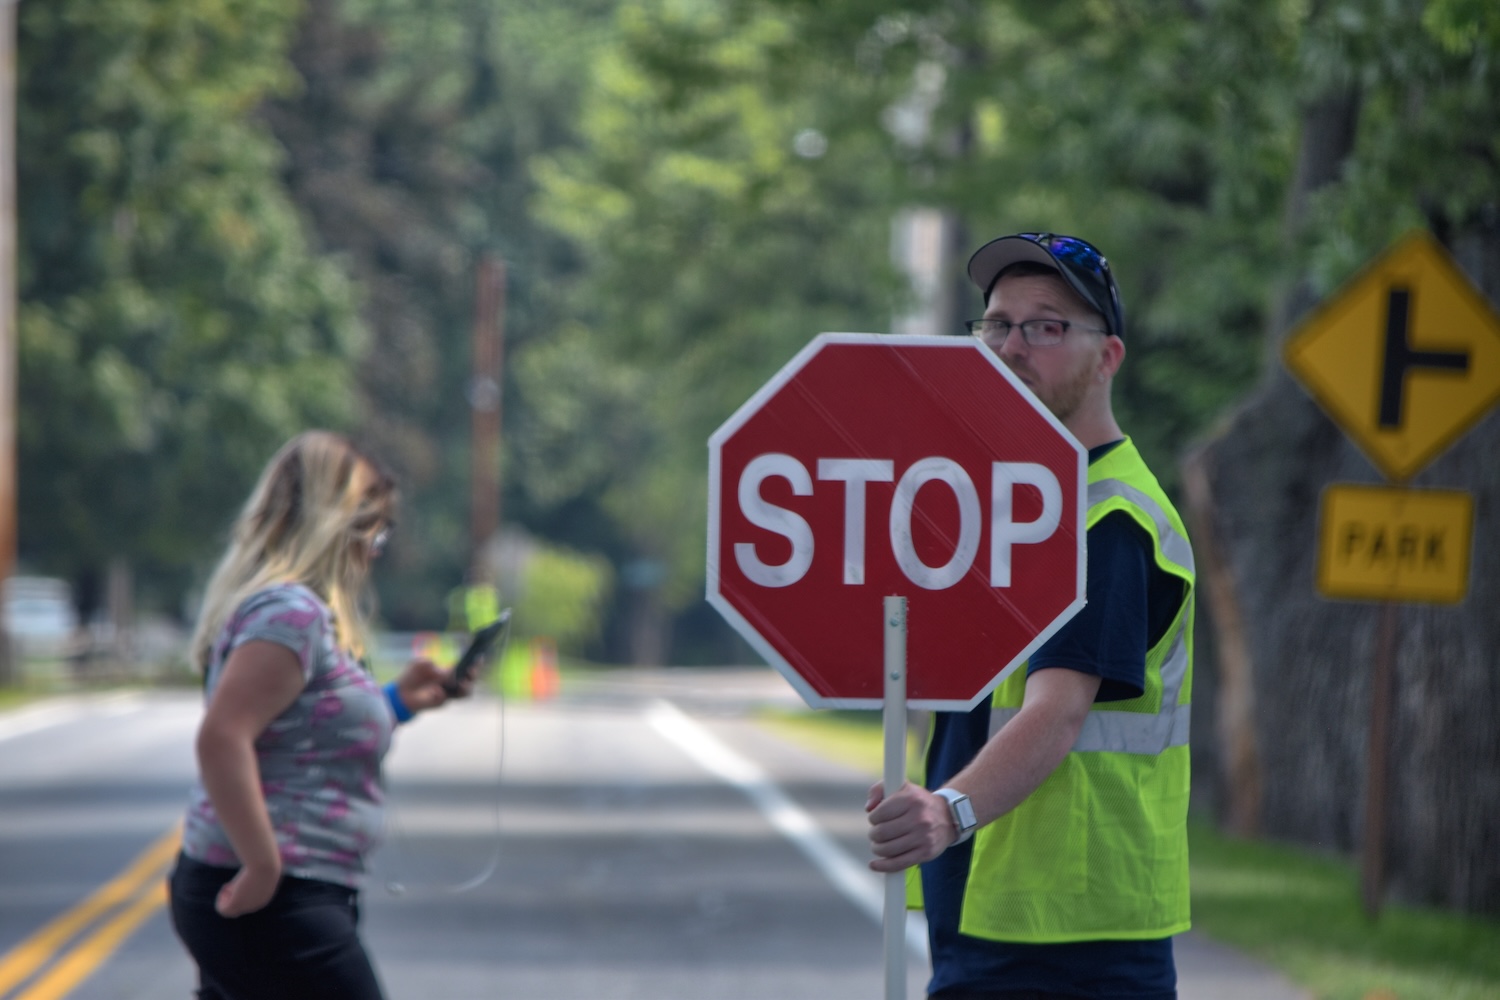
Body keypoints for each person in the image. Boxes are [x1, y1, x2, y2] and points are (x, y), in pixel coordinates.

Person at [866, 233, 1195, 1000]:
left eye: (1047, 326)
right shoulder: (1016, 508)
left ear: (1107, 357)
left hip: (1071, 934)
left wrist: (944, 812)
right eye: (998, 325)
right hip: (1001, 907)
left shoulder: (1110, 520)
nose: (1014, 346)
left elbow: (1056, 714)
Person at [168, 431, 473, 1000]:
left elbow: (301, 732)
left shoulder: (285, 611)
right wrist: (262, 865)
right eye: (373, 529)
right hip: (276, 895)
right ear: (335, 524)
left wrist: (400, 702)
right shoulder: (293, 615)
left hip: (283, 889)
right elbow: (222, 738)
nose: (375, 550)